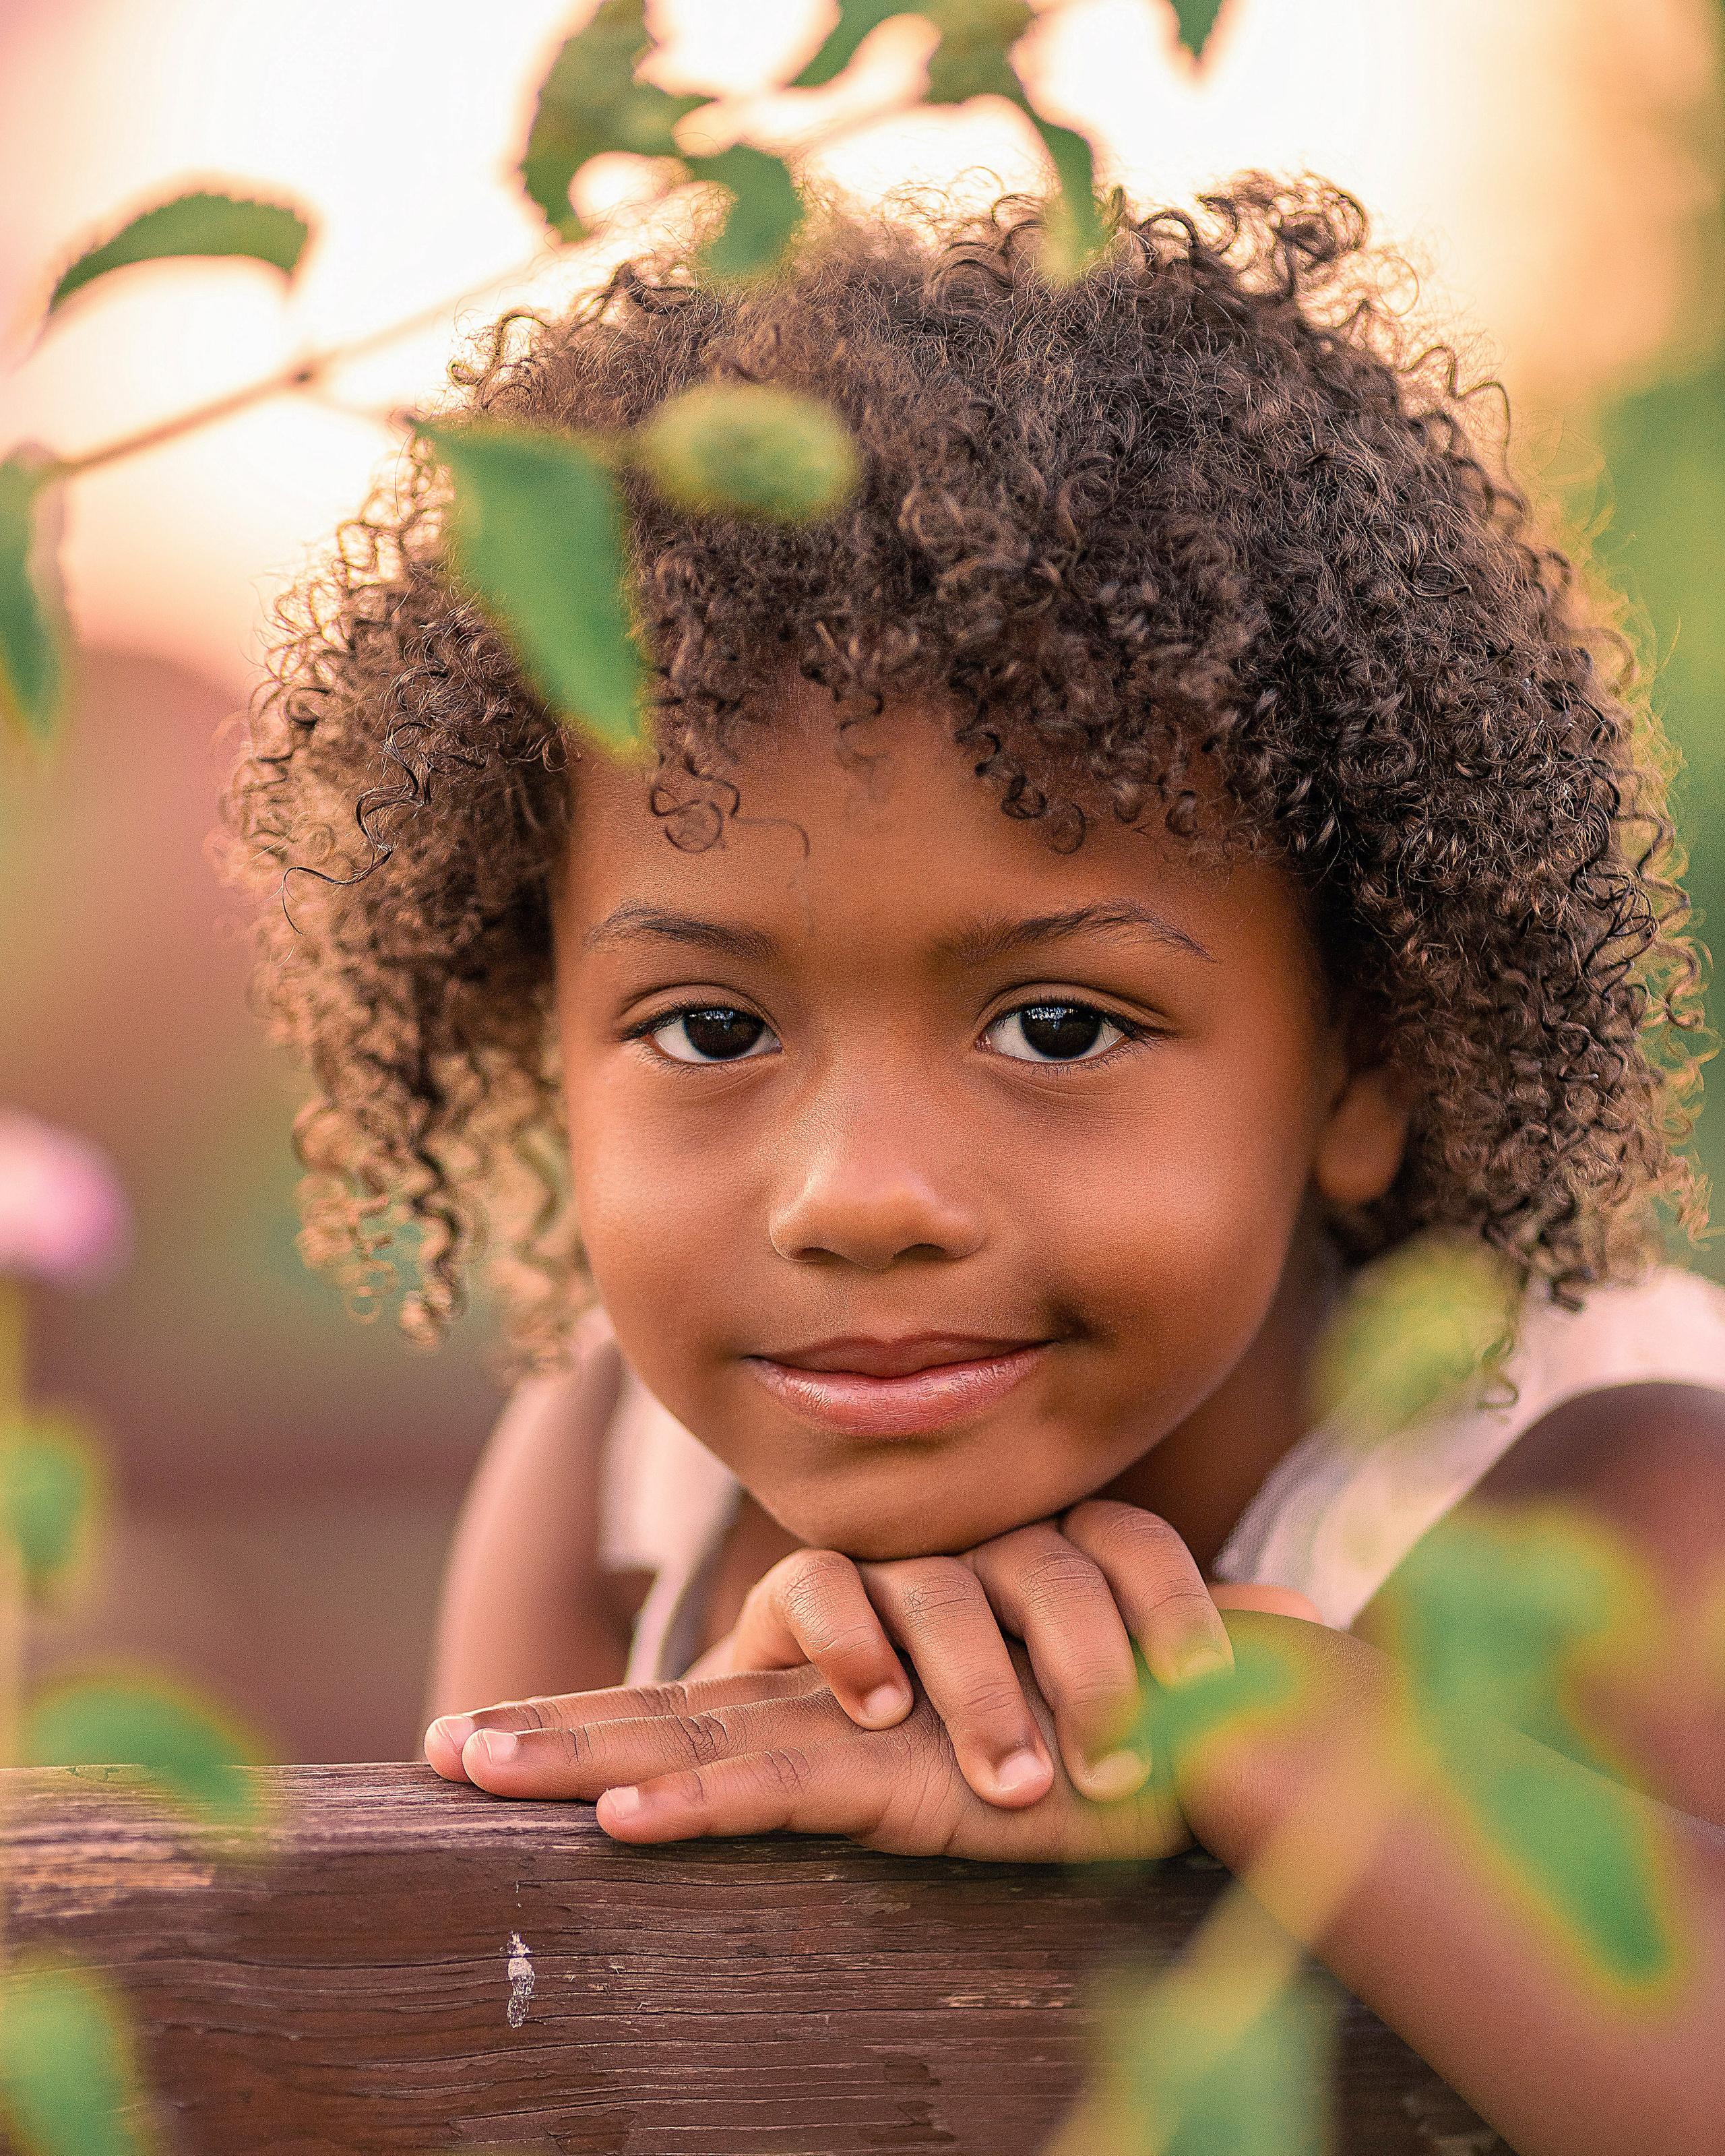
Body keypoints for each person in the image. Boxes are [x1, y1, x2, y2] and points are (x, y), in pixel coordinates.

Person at [224, 181, 1725, 2151]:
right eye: (709, 1030)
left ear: (1368, 1060)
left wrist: (1272, 1725)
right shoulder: (613, 1493)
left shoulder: (1618, 1512)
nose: (856, 1195)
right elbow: (513, 2072)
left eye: (1061, 1027)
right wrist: (754, 1740)